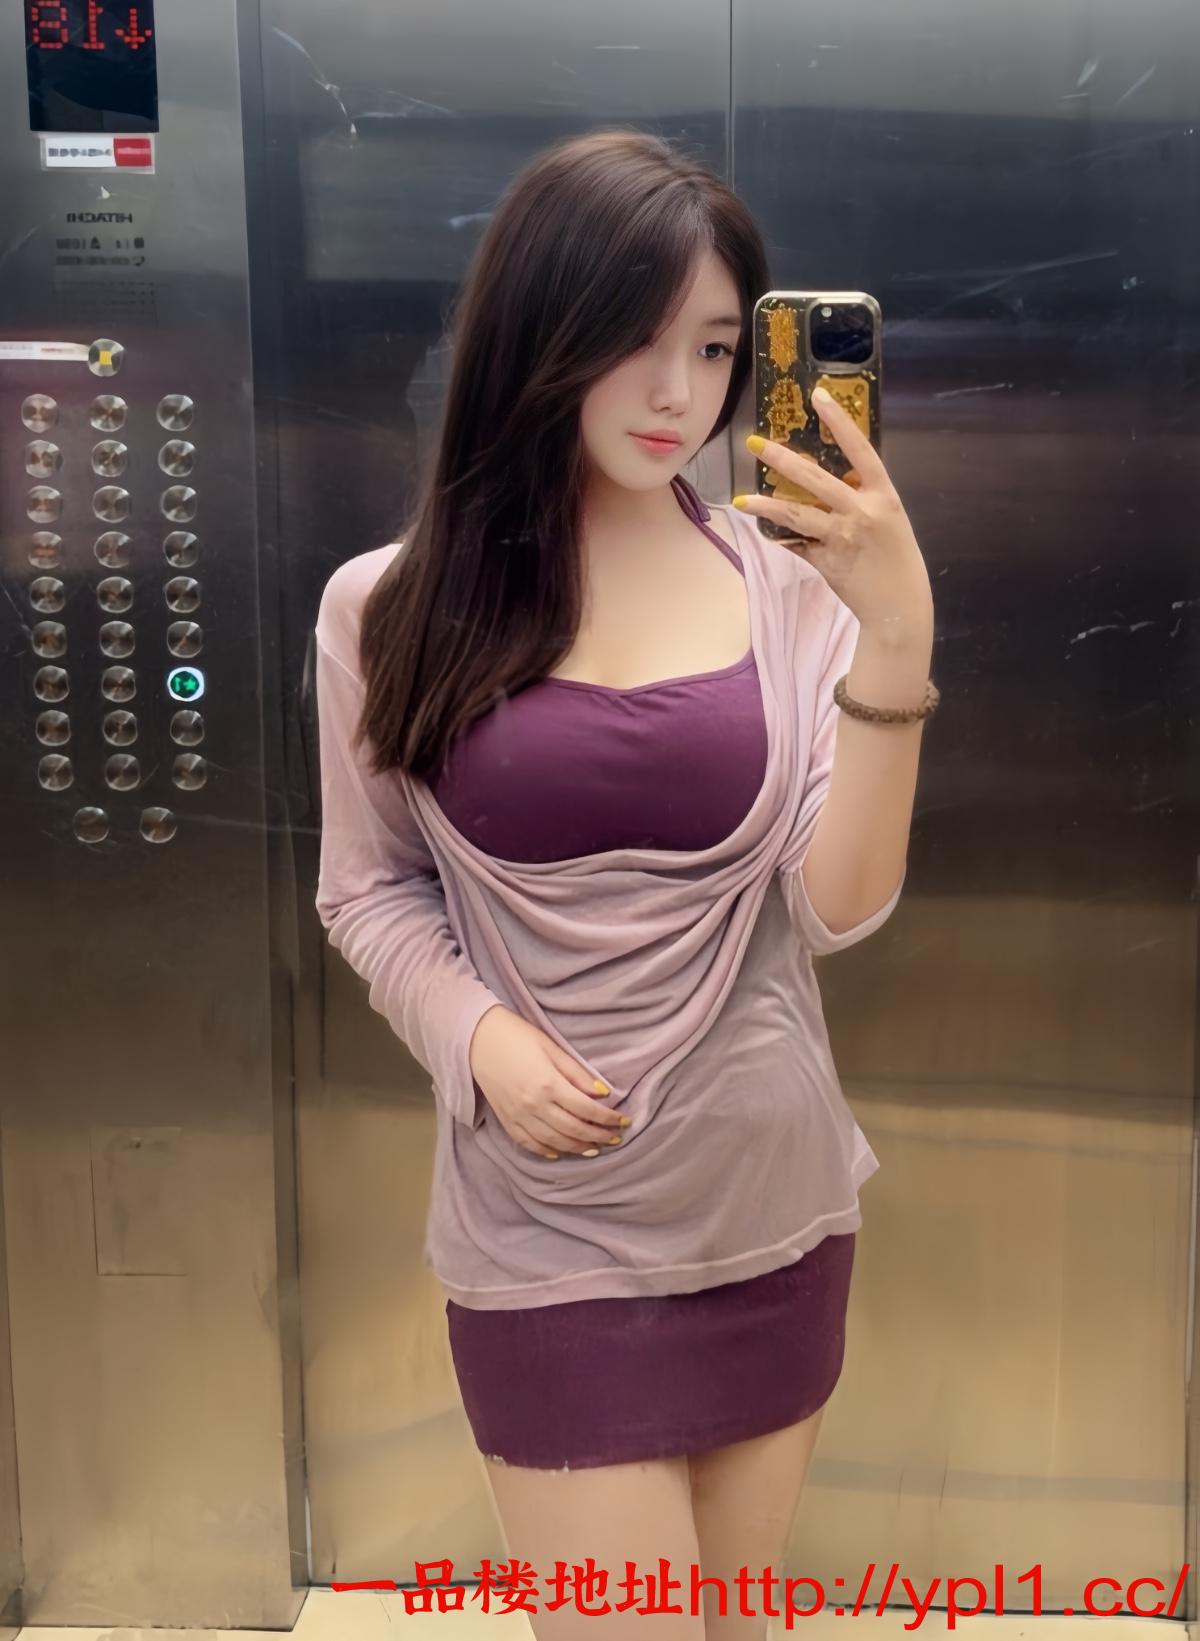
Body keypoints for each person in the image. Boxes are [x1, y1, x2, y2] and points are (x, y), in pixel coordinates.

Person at [313, 127, 937, 1639]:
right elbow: (368, 890)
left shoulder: (785, 589)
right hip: (545, 1221)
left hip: (767, 1197)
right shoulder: (386, 607)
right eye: (635, 341)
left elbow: (839, 909)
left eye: (716, 349)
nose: (680, 395)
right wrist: (478, 1037)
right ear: (539, 334)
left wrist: (898, 641)